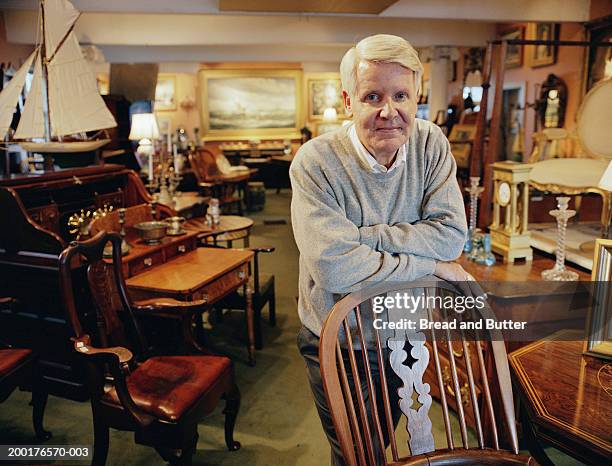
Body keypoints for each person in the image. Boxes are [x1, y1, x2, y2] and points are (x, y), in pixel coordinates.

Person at [290, 34, 472, 465]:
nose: (389, 111)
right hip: (341, 338)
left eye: (401, 95)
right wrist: (430, 264)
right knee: (358, 455)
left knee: (385, 444)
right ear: (348, 101)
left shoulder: (431, 144)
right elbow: (334, 269)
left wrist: (366, 236)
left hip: (407, 330)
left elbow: (451, 237)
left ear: (416, 97)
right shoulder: (315, 163)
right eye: (373, 96)